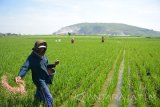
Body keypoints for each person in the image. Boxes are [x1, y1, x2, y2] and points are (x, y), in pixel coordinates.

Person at [15, 40, 59, 107]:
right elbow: (25, 67)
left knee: (39, 92)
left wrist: (54, 64)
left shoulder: (44, 56)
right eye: (40, 47)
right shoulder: (31, 58)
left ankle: (35, 101)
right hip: (39, 80)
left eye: (43, 47)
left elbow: (45, 66)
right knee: (49, 97)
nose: (42, 49)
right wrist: (20, 76)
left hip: (45, 77)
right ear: (36, 48)